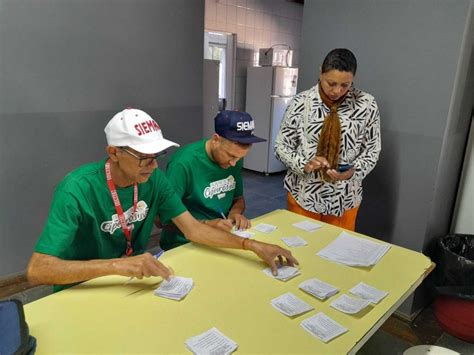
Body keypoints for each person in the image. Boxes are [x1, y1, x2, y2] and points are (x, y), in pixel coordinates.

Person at [27, 108, 298, 290]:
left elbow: (193, 229)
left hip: (132, 280)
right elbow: (38, 270)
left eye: (157, 156)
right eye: (144, 157)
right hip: (84, 287)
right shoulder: (76, 189)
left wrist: (251, 245)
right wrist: (117, 265)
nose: (153, 166)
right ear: (114, 152)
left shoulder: (153, 178)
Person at [274, 48, 381, 231]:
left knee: (338, 253)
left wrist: (353, 171)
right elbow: (282, 146)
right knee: (301, 251)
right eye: (331, 83)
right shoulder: (301, 102)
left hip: (344, 198)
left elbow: (372, 149)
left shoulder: (366, 104)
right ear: (320, 73)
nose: (337, 91)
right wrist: (304, 164)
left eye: (345, 85)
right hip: (304, 195)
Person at [160, 110, 266, 250]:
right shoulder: (183, 164)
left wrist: (235, 214)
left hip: (221, 236)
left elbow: (238, 199)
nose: (234, 163)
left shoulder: (233, 160)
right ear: (216, 140)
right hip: (184, 242)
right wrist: (207, 224)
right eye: (231, 156)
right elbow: (162, 219)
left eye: (240, 158)